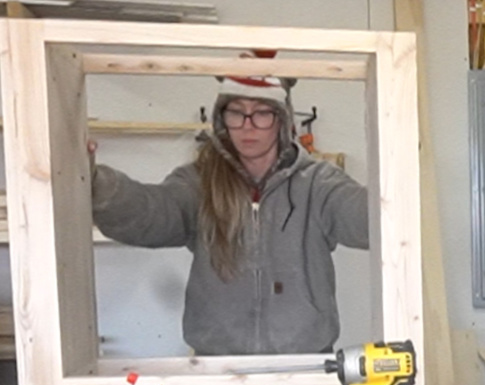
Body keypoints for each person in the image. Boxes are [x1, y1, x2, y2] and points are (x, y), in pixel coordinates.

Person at [90, 62, 368, 356]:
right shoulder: (198, 183)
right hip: (218, 372)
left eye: (261, 113)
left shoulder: (319, 184)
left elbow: (367, 219)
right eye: (236, 112)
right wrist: (94, 181)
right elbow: (149, 214)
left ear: (282, 121)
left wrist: (398, 180)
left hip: (304, 369)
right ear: (222, 119)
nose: (248, 125)